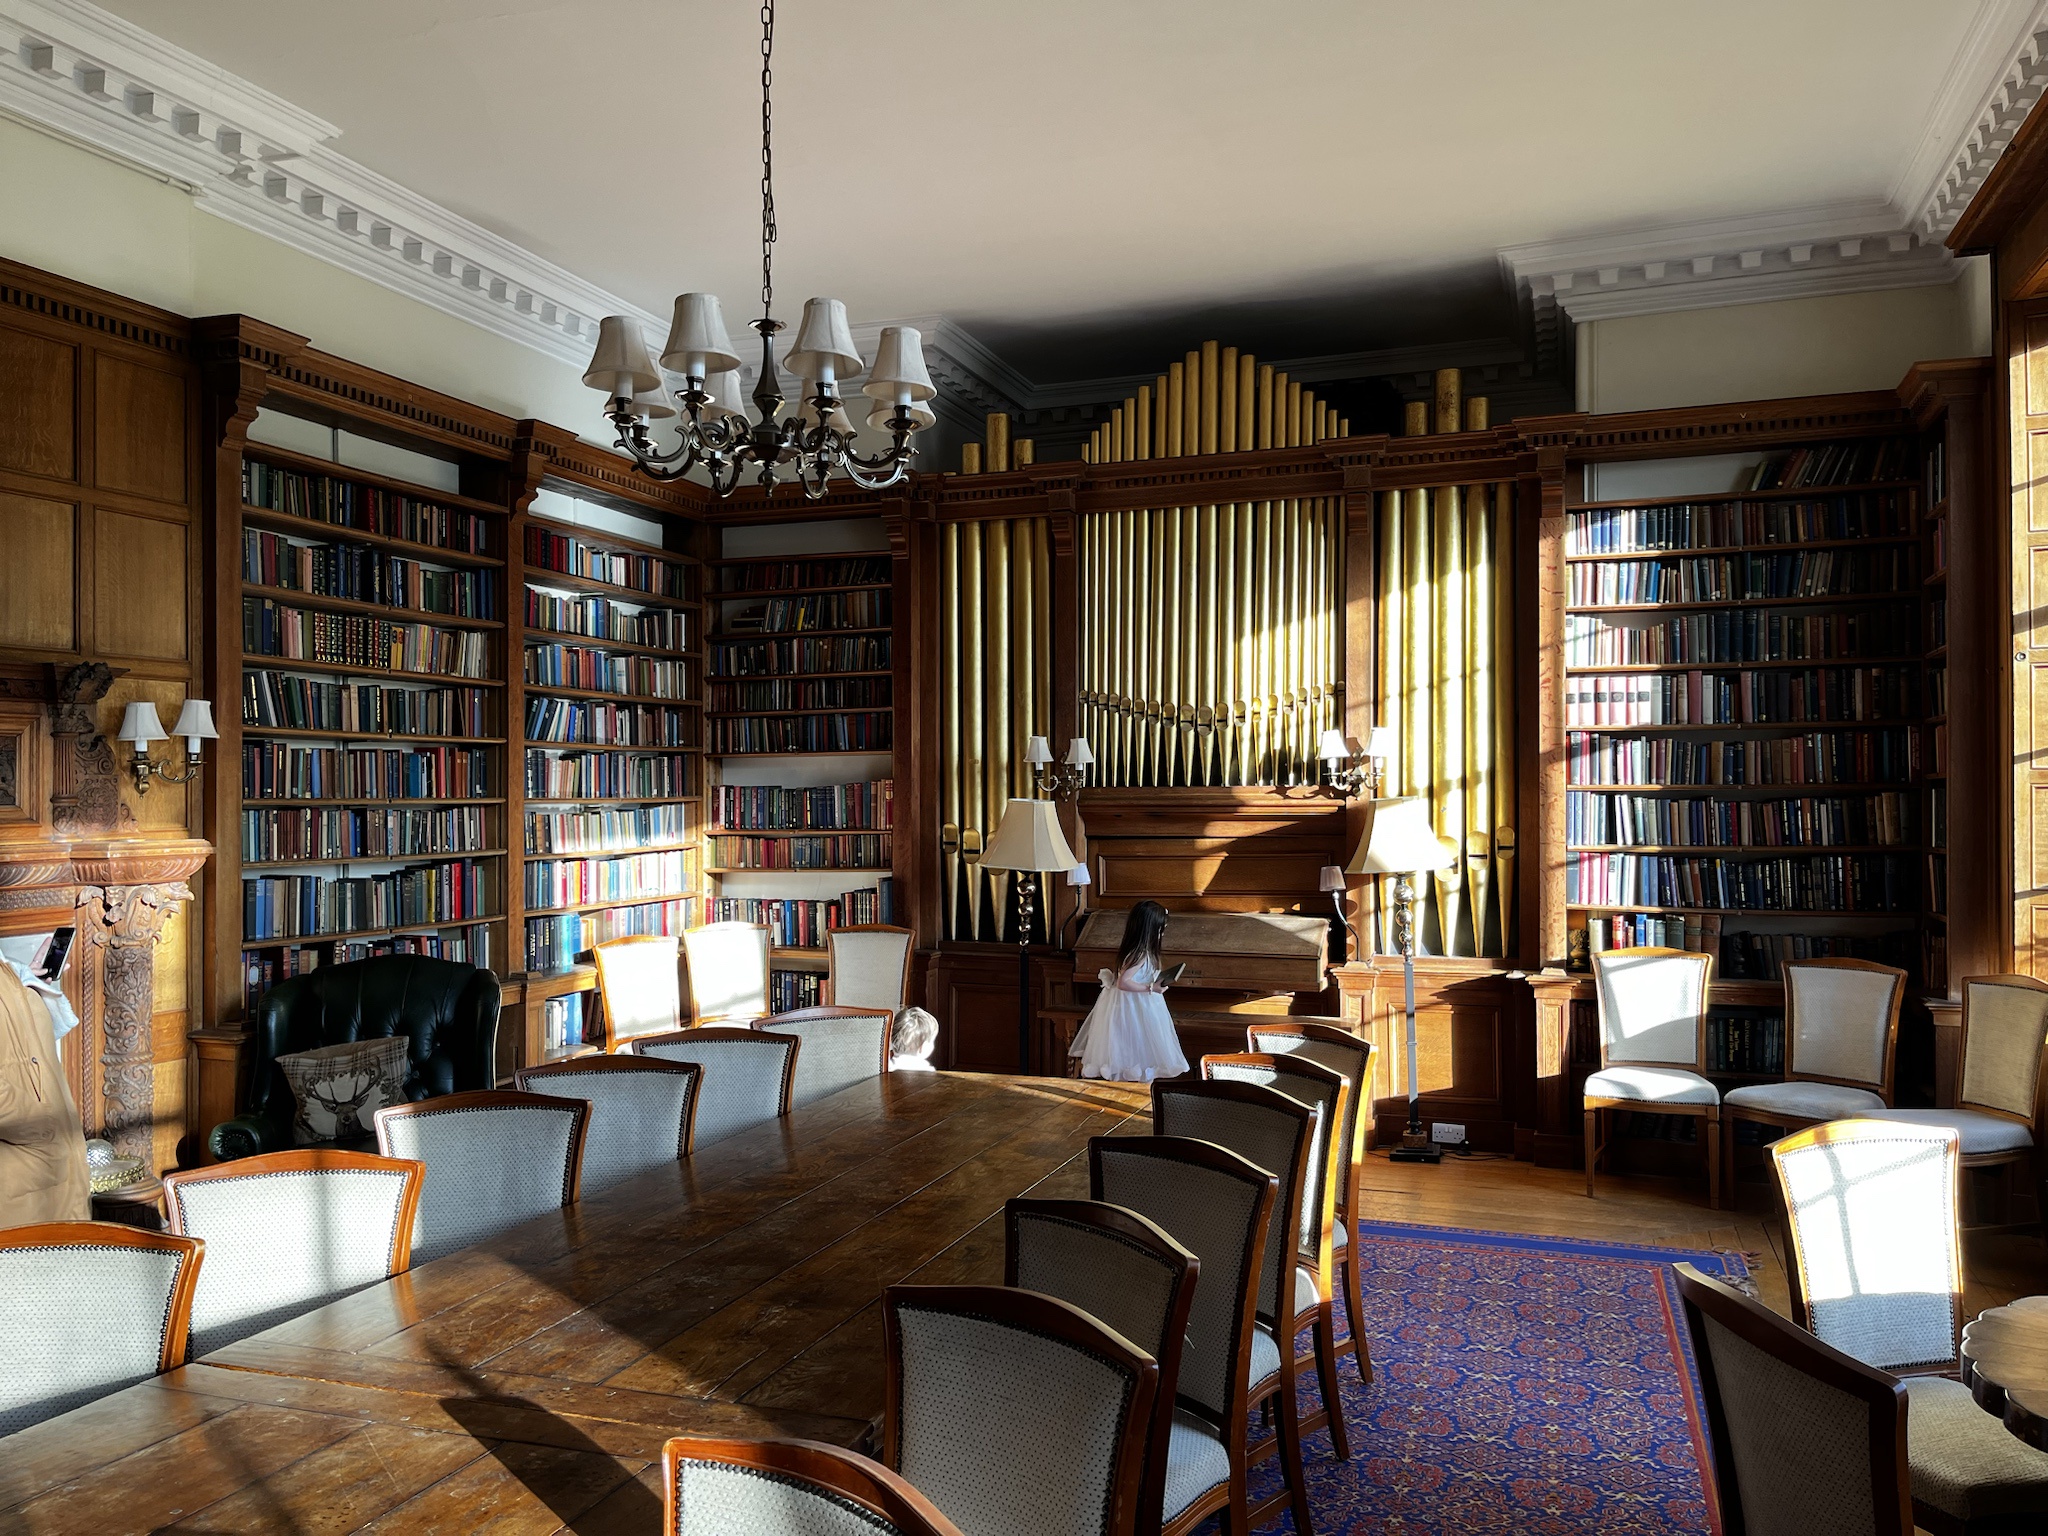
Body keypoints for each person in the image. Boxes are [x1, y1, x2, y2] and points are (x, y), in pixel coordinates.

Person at [1070, 900, 1189, 1083]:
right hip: (1133, 1007)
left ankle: (1136, 1080)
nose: (1161, 933)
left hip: (1136, 1005)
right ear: (1150, 930)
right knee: (1134, 1044)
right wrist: (1151, 987)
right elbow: (1123, 982)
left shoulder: (1139, 950)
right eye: (1160, 929)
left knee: (1137, 1045)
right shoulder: (1140, 953)